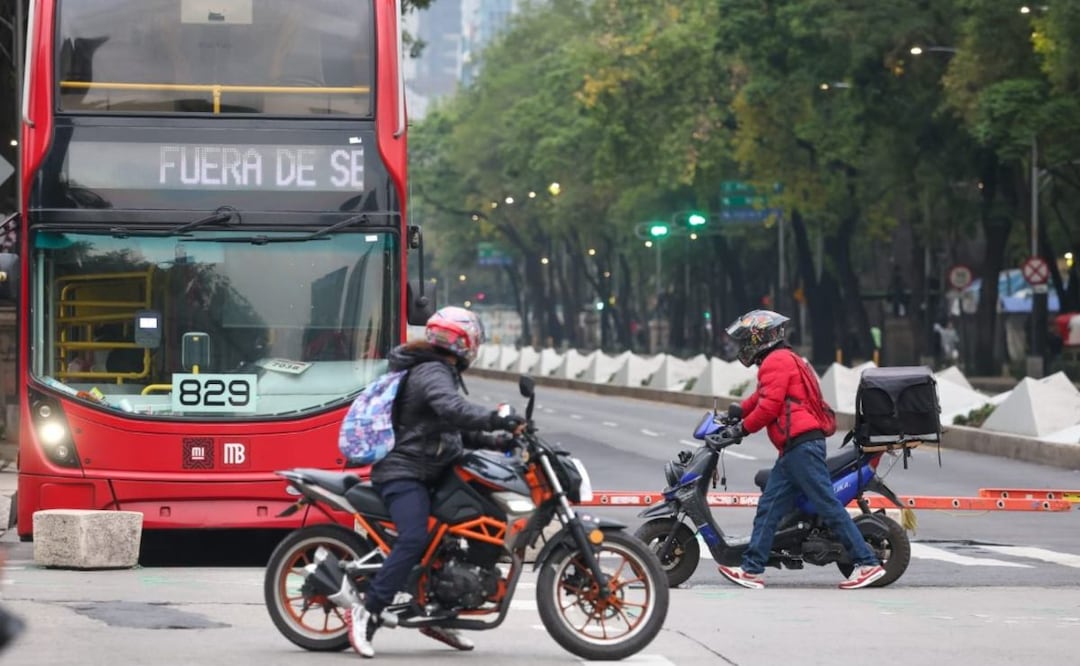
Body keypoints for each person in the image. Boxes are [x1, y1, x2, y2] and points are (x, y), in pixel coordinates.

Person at [344, 305, 526, 659]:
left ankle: (438, 612)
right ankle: (368, 611)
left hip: (431, 469)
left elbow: (454, 430)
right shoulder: (432, 371)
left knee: (471, 524)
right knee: (414, 538)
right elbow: (453, 410)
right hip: (404, 472)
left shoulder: (436, 369)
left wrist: (499, 441)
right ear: (466, 342)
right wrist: (496, 418)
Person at [717, 309, 886, 590]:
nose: (744, 345)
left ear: (760, 338)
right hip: (795, 448)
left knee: (827, 505)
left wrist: (741, 429)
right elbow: (761, 397)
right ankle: (751, 569)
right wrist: (737, 412)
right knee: (769, 507)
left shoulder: (775, 361)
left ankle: (867, 563)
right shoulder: (784, 359)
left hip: (802, 446)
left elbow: (769, 407)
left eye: (747, 339)